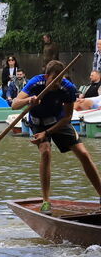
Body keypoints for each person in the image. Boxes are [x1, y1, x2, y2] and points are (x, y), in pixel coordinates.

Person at [13, 60, 101, 212]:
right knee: (46, 151)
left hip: (59, 122)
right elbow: (15, 104)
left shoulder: (68, 88)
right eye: (54, 79)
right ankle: (46, 201)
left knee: (84, 154)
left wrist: (47, 133)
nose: (57, 84)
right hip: (38, 122)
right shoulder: (36, 82)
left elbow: (67, 117)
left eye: (60, 80)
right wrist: (29, 100)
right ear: (46, 76)